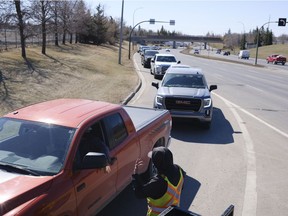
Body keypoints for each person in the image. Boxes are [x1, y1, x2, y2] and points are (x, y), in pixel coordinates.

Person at [132, 146, 186, 216]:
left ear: (157, 164)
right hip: (174, 213)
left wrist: (135, 175)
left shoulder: (158, 182)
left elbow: (139, 193)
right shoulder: (179, 170)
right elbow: (181, 187)